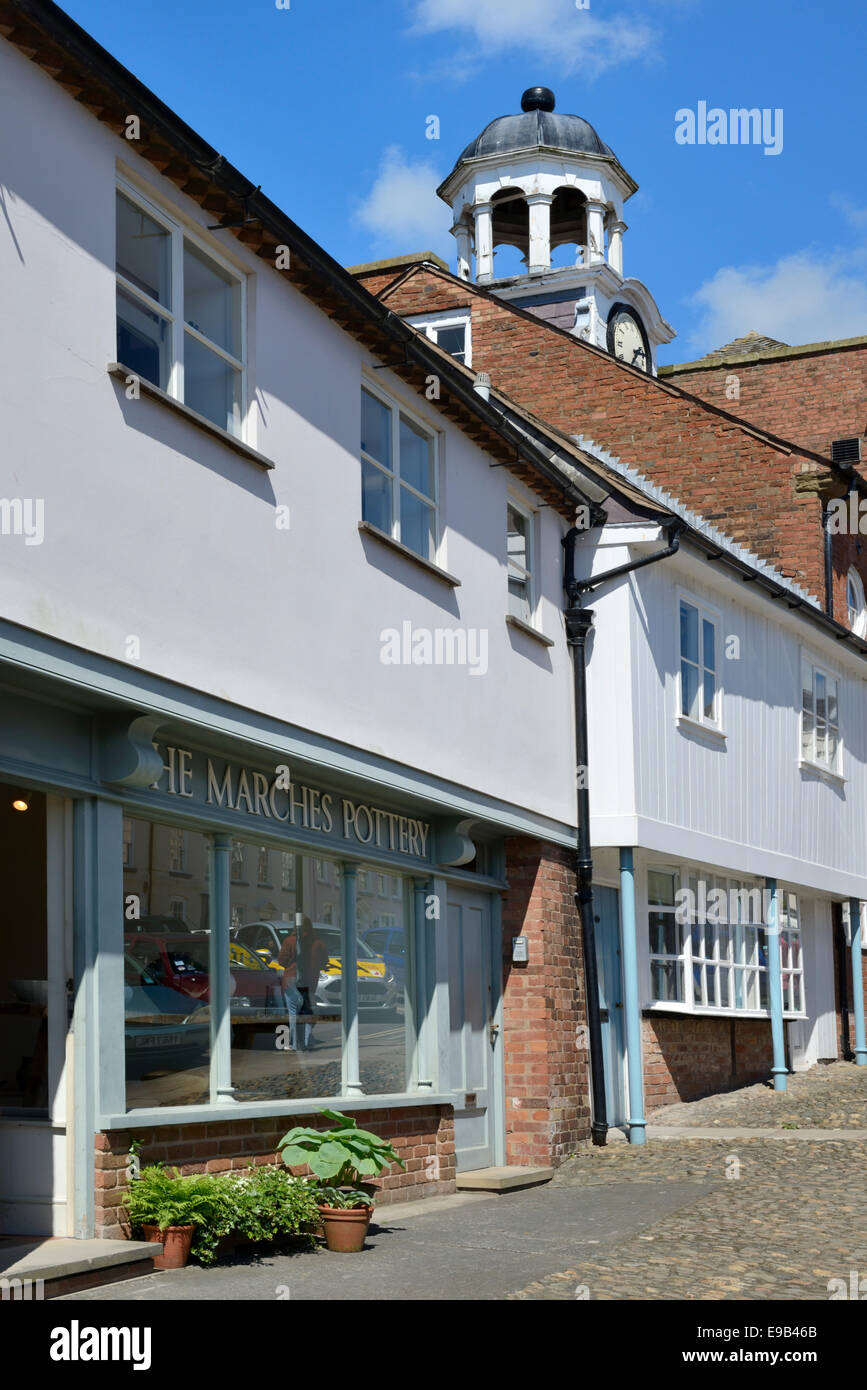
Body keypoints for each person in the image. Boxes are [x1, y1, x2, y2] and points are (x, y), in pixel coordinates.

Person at [295, 916, 328, 1051]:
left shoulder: (293, 940)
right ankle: (307, 1039)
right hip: (310, 982)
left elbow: (283, 959)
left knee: (296, 1011)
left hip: (294, 981)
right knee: (309, 1010)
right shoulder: (318, 943)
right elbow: (325, 960)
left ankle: (296, 1041)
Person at [277, 929, 304, 1051]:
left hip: (290, 975)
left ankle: (291, 1043)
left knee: (291, 1012)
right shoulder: (308, 942)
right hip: (303, 977)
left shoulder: (289, 941)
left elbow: (282, 960)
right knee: (299, 1008)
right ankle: (300, 1041)